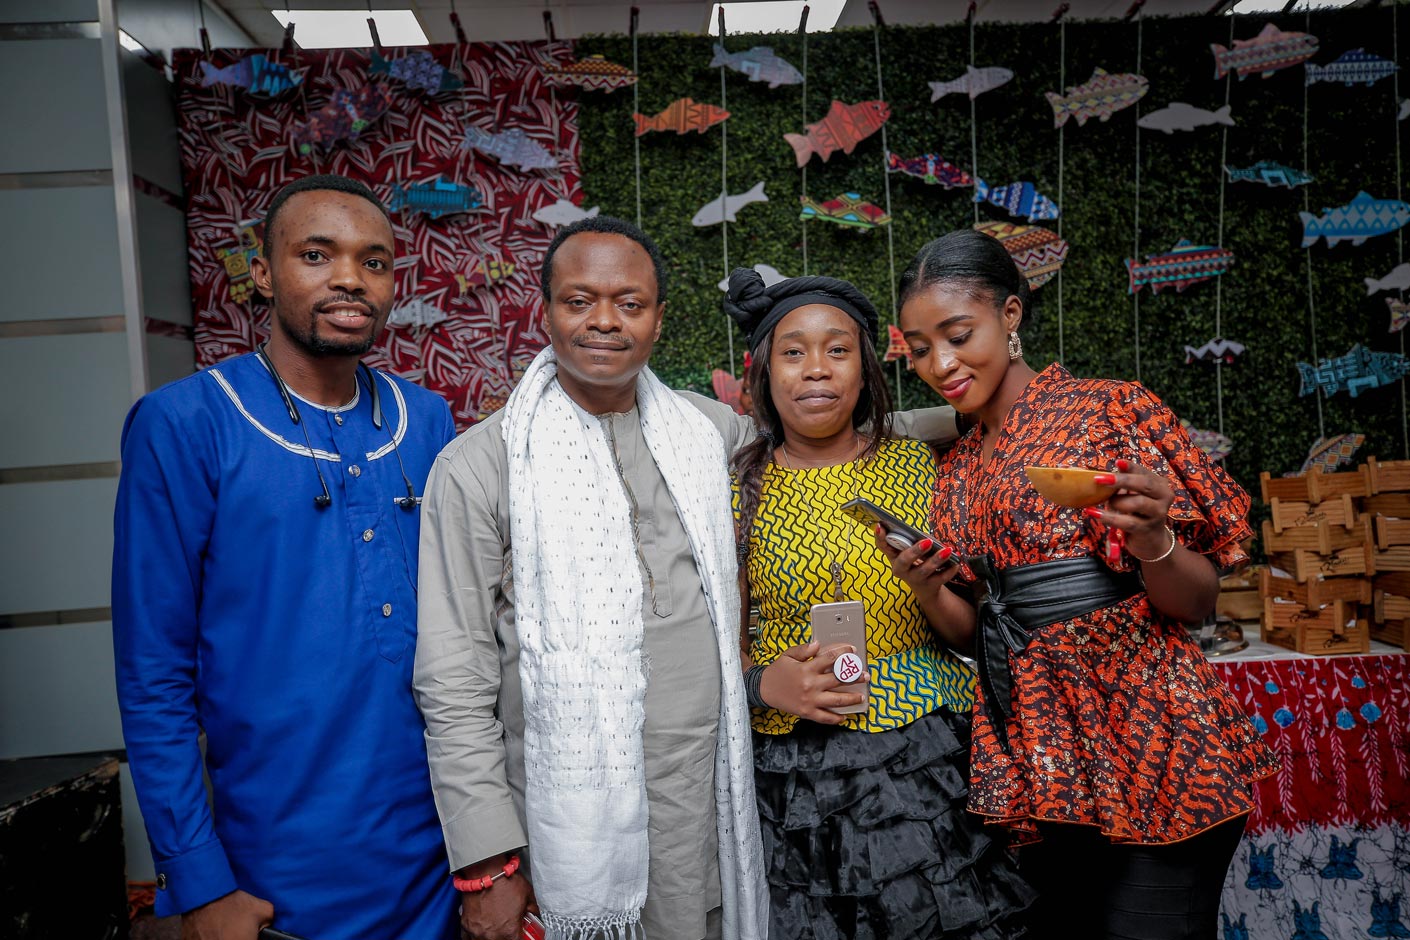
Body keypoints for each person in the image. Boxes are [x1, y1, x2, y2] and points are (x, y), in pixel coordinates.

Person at [413, 217, 961, 940]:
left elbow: (827, 438)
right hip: (564, 813)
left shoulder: (707, 433)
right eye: (579, 301)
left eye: (630, 303)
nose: (604, 321)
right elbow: (452, 678)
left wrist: (976, 414)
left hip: (713, 804)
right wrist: (488, 862)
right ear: (544, 312)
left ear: (659, 319)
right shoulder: (479, 467)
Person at [886, 228, 1278, 940]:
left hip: (1152, 743)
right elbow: (980, 628)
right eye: (918, 349)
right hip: (1041, 759)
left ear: (1010, 314)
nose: (940, 364)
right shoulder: (957, 467)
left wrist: (1154, 538)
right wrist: (926, 588)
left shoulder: (1109, 410)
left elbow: (1196, 604)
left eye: (958, 335)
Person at [112, 174, 459, 939]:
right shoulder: (184, 424)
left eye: (374, 261)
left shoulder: (427, 420)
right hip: (273, 882)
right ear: (263, 273)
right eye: (316, 254)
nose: (350, 278)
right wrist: (200, 882)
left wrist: (491, 855)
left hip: (439, 867)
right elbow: (153, 674)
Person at [722, 269, 1034, 940]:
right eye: (794, 352)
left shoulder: (921, 469)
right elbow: (720, 640)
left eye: (838, 350)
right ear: (765, 373)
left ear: (865, 370)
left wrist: (928, 589)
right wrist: (763, 685)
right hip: (792, 765)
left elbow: (968, 634)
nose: (817, 369)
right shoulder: (736, 486)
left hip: (926, 752)